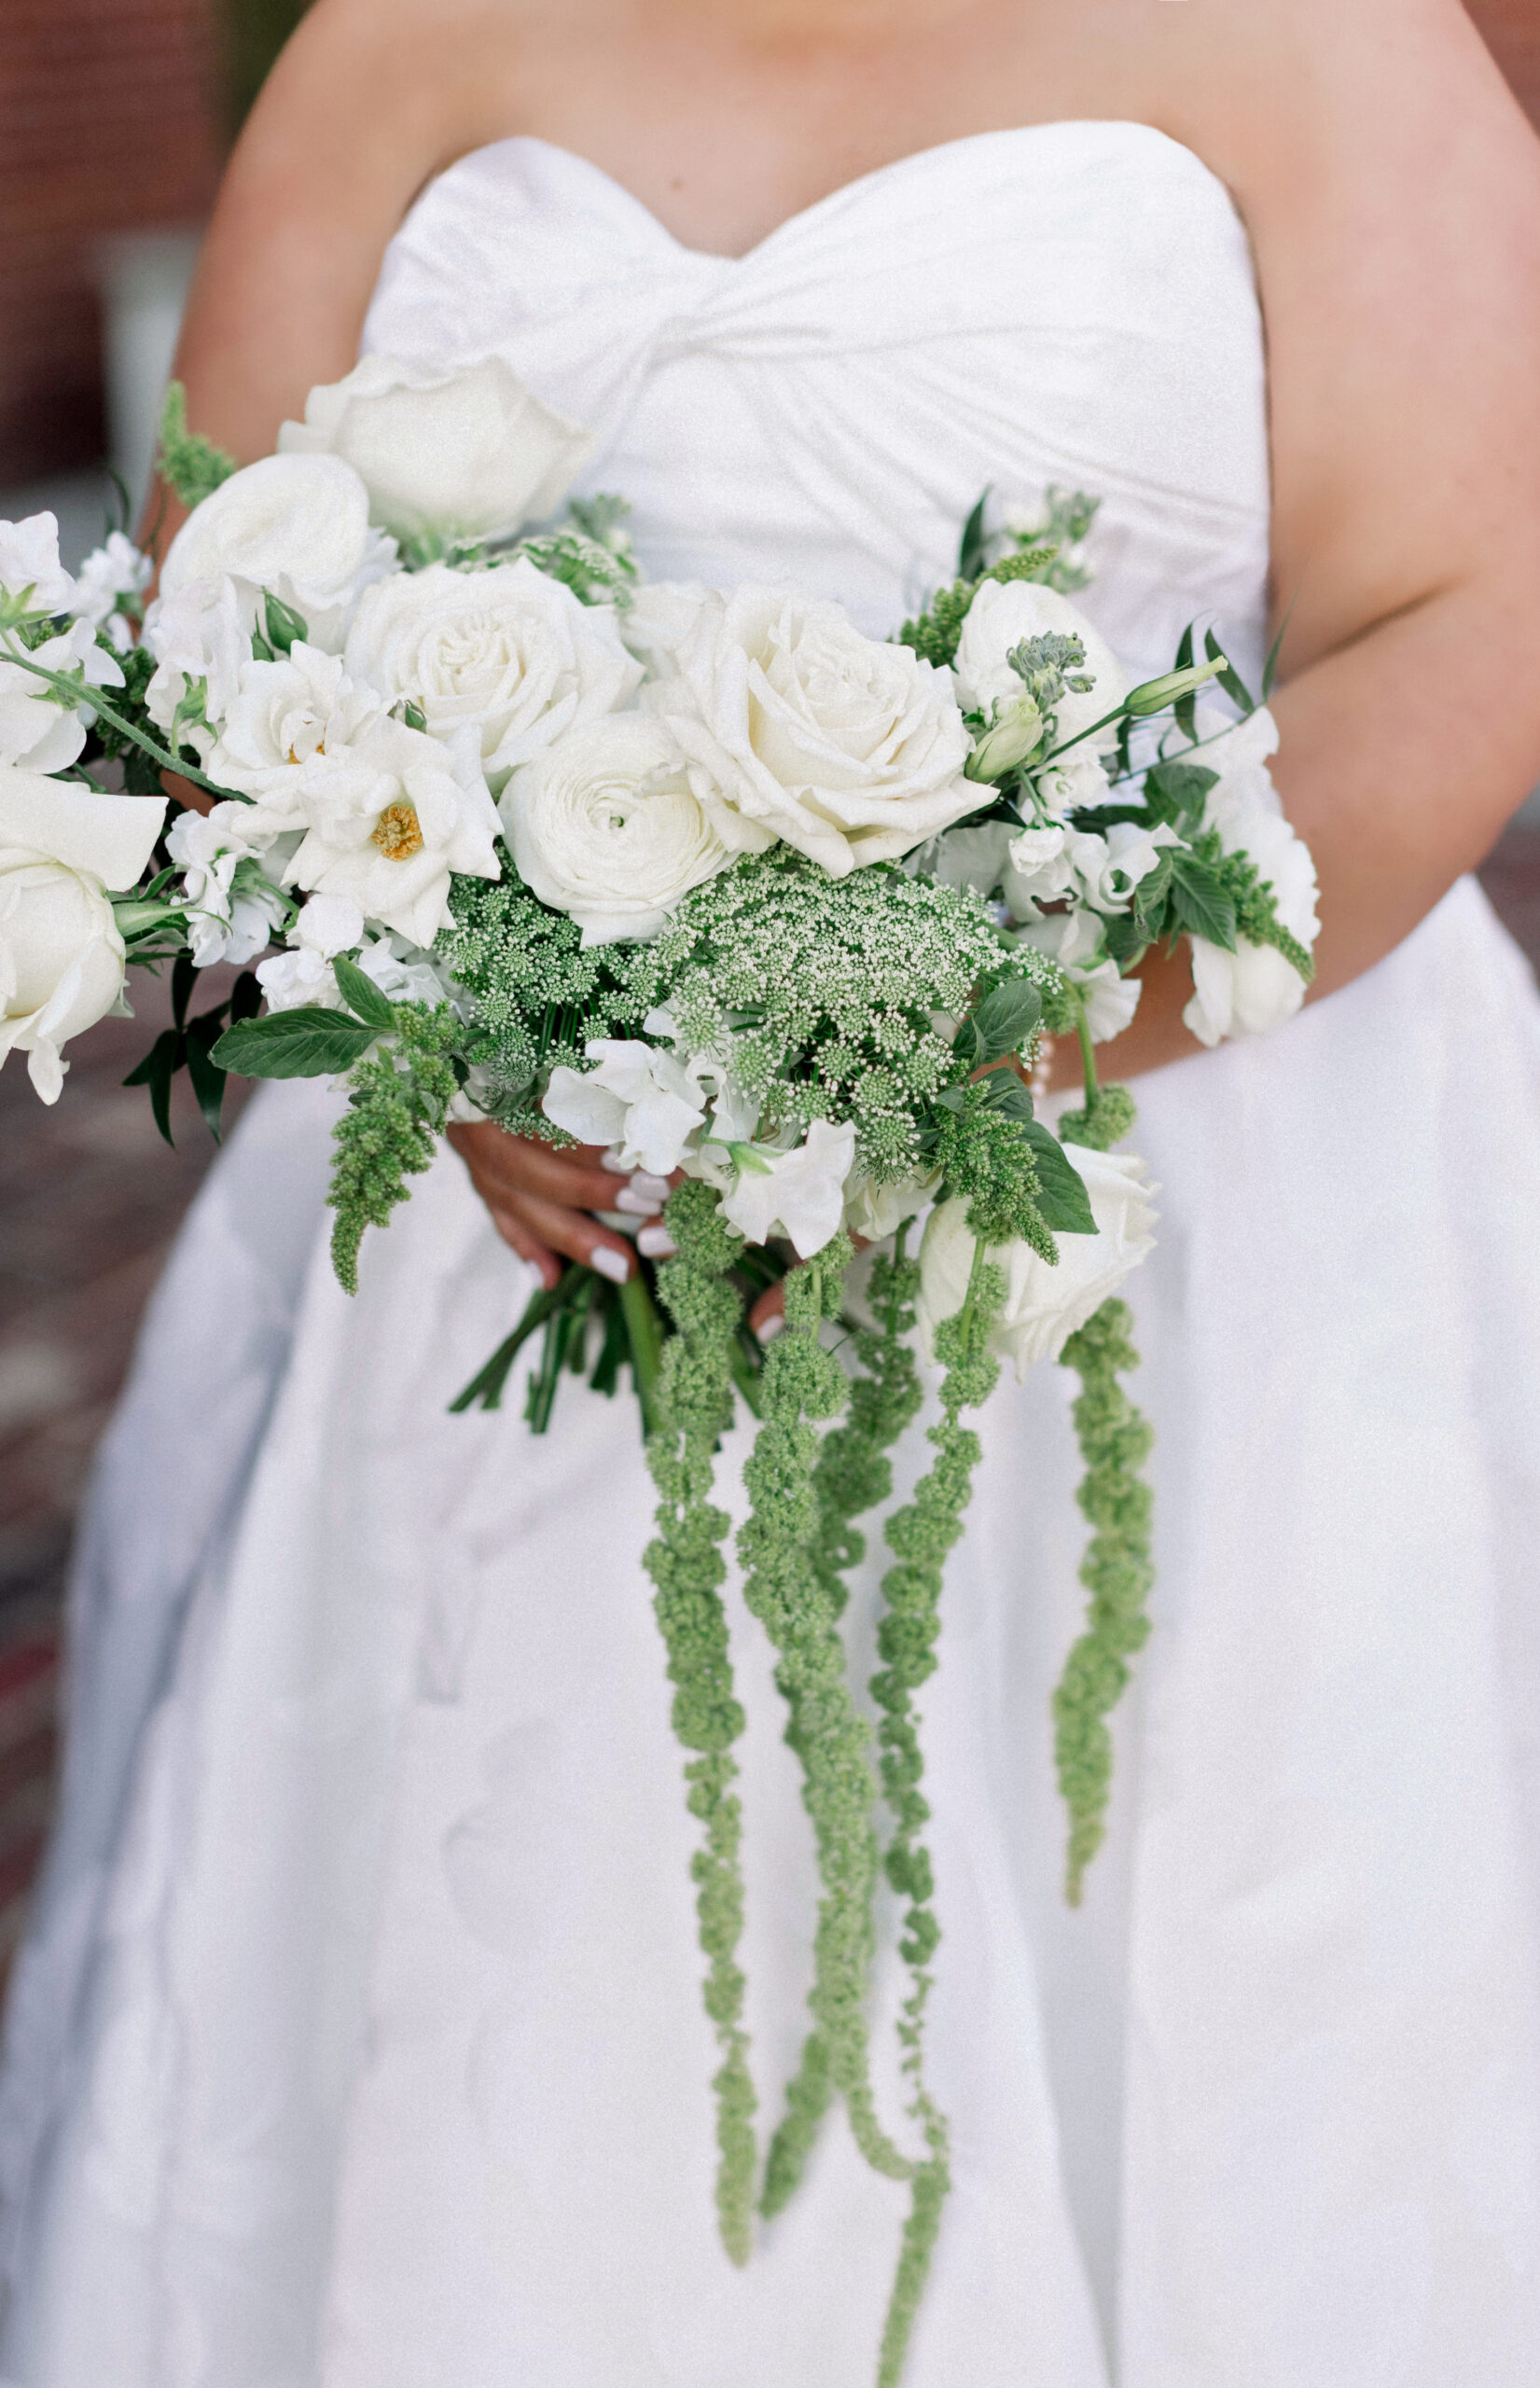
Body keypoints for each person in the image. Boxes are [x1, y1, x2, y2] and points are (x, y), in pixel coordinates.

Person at [4, 0, 1540, 2378]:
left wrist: (928, 1059)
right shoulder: (398, 34)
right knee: (508, 1964)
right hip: (519, 1195)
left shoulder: (1320, 38)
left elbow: (1447, 622)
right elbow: (232, 566)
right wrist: (460, 1024)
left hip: (1147, 1183)